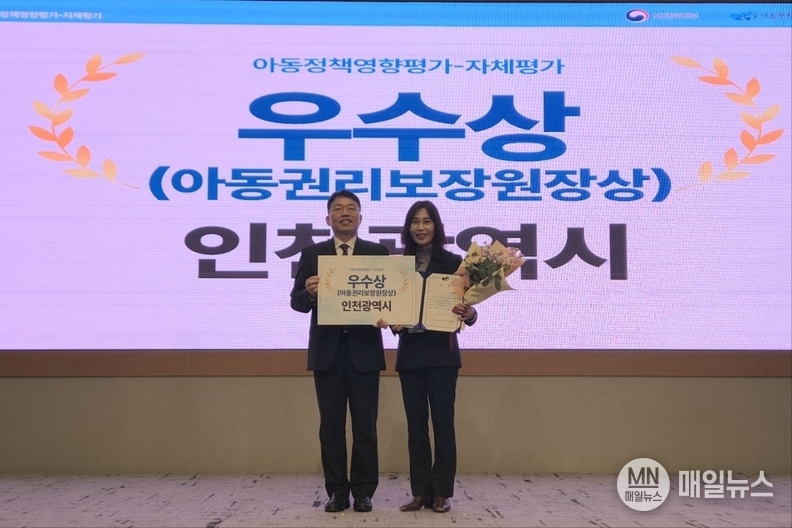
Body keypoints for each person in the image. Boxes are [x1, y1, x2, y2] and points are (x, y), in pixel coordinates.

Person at [290, 190, 389, 513]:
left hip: (365, 351)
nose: (345, 213)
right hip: (327, 353)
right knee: (331, 428)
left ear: (360, 217)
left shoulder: (378, 253)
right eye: (338, 209)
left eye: (351, 208)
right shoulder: (312, 254)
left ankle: (363, 492)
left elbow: (390, 298)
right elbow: (296, 302)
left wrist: (390, 315)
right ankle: (336, 491)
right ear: (328, 218)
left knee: (365, 428)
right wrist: (309, 292)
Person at [391, 200, 477, 514]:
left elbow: (468, 308)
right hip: (410, 354)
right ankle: (420, 492)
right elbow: (389, 304)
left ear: (436, 226)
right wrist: (390, 318)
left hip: (443, 354)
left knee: (443, 424)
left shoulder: (456, 263)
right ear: (408, 228)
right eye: (415, 221)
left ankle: (441, 492)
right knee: (416, 428)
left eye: (426, 221)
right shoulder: (397, 265)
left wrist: (470, 313)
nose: (421, 227)